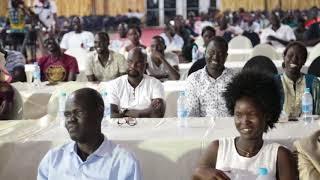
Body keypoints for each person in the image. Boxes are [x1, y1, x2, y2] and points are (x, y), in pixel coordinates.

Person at [193, 70, 298, 180]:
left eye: (252, 114)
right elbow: (196, 175)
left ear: (267, 116)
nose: (244, 121)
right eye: (238, 115)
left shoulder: (280, 155)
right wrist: (201, 172)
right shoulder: (218, 148)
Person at [37, 88, 142, 180]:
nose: (70, 120)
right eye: (67, 115)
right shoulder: (53, 159)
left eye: (78, 112)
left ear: (99, 113)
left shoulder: (124, 162)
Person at [186, 37, 236, 117]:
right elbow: (191, 114)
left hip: (230, 126)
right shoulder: (194, 79)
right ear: (205, 53)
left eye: (220, 54)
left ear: (226, 56)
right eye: (211, 52)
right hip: (203, 127)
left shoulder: (235, 79)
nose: (215, 57)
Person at [109, 48, 165, 118]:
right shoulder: (115, 84)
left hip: (148, 127)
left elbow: (158, 114)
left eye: (138, 63)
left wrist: (123, 112)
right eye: (130, 61)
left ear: (146, 66)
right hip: (122, 127)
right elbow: (111, 114)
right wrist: (146, 112)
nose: (133, 66)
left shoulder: (155, 84)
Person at [274, 42, 320, 119]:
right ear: (284, 57)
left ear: (304, 61)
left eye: (299, 57)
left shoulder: (314, 83)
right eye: (290, 55)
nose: (294, 59)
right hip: (280, 129)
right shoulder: (273, 83)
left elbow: (318, 115)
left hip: (308, 127)